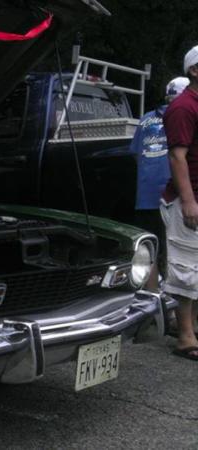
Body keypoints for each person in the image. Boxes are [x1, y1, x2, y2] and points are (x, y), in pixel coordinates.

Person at [132, 76, 189, 292]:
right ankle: (177, 302)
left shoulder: (145, 119)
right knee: (179, 250)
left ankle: (152, 298)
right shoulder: (185, 117)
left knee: (149, 249)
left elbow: (136, 154)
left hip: (146, 196)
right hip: (174, 196)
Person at [161, 46, 198, 360]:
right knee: (185, 267)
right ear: (194, 71)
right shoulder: (184, 107)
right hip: (188, 200)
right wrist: (188, 201)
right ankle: (185, 338)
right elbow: (177, 156)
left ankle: (193, 328)